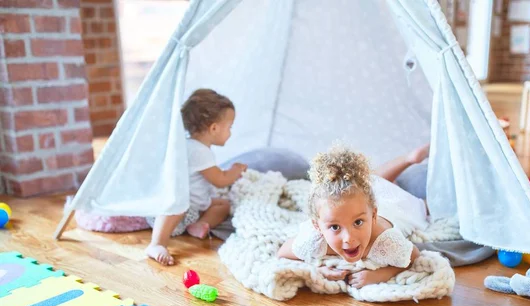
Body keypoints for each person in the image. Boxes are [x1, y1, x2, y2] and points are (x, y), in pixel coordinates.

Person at [277, 143, 430, 288]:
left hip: (396, 206)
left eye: (358, 223)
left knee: (422, 206)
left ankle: (409, 159)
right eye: (335, 227)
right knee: (370, 183)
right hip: (364, 201)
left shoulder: (385, 241)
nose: (349, 238)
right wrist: (316, 270)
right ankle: (408, 159)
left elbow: (414, 256)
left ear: (373, 216)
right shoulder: (314, 241)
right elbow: (283, 252)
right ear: (317, 226)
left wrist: (379, 275)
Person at [145, 89, 247, 266]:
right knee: (178, 205)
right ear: (214, 128)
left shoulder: (191, 146)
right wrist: (235, 171)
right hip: (174, 214)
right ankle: (157, 243)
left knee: (223, 205)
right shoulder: (199, 151)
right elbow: (220, 180)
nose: (230, 133)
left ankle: (200, 224)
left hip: (191, 211)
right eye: (229, 127)